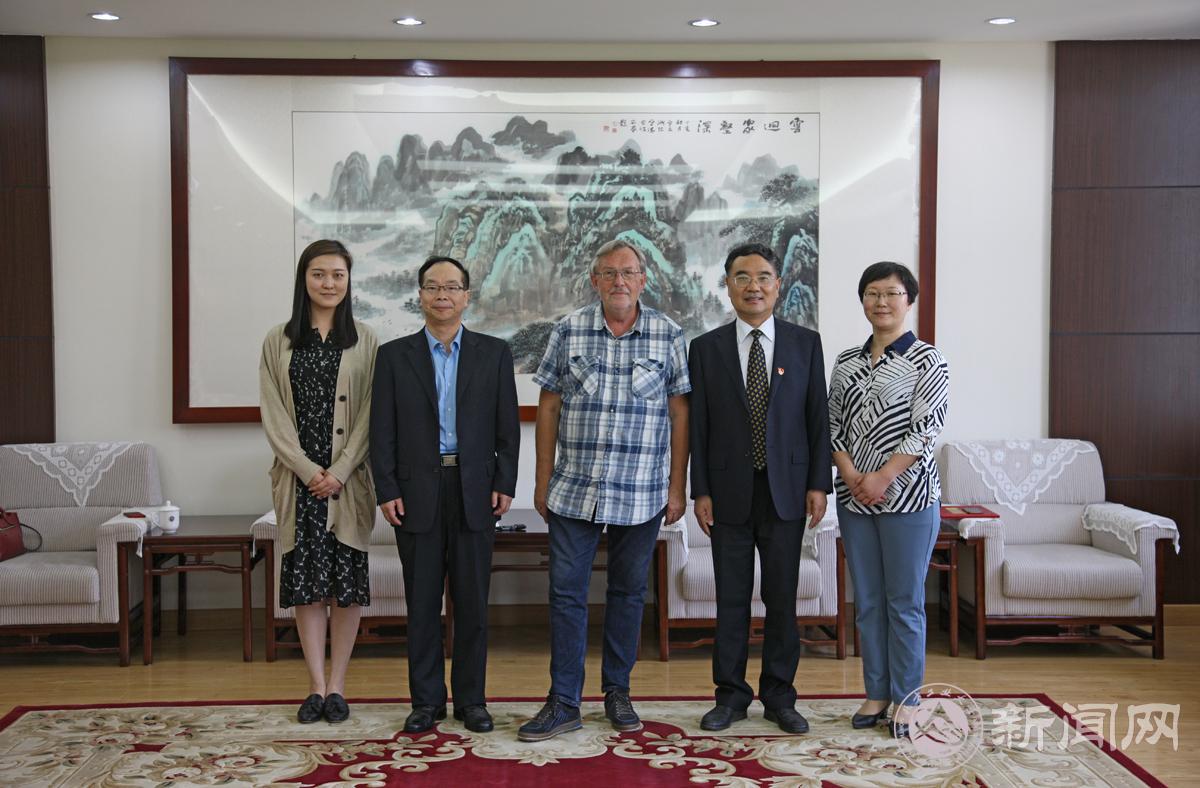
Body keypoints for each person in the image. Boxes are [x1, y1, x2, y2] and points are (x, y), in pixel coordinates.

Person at [518, 239, 691, 742]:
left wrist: (677, 486)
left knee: (628, 594)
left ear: (642, 280)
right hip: (574, 489)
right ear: (594, 280)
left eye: (629, 272)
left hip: (642, 491)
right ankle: (563, 701)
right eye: (609, 273)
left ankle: (618, 692)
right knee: (565, 594)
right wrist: (541, 480)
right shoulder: (568, 330)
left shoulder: (667, 333)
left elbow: (680, 413)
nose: (619, 281)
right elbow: (549, 406)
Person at [369, 255, 519, 735]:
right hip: (415, 493)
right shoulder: (394, 357)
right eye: (433, 287)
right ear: (420, 295)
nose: (442, 295)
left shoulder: (494, 354)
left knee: (473, 604)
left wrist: (505, 483)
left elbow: (508, 429)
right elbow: (381, 431)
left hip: (476, 490)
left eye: (452, 287)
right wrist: (386, 488)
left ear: (466, 296)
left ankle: (472, 701)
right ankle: (427, 701)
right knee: (422, 603)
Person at [688, 242, 832, 734]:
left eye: (763, 277)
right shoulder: (705, 348)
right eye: (742, 277)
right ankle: (729, 697)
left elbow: (817, 419)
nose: (754, 286)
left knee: (781, 599)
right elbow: (699, 426)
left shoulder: (804, 343)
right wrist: (700, 490)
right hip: (727, 491)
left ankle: (779, 697)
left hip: (786, 490)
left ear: (778, 285)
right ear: (727, 286)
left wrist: (819, 484)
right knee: (730, 599)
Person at [827, 261, 949, 739]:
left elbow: (925, 430)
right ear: (863, 301)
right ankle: (876, 693)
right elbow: (832, 425)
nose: (881, 302)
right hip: (854, 499)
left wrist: (883, 476)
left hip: (909, 500)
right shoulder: (846, 362)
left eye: (892, 293)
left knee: (904, 603)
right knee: (869, 602)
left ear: (908, 301)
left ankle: (907, 699)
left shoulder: (928, 360)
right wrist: (852, 475)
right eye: (873, 293)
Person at [259, 239, 378, 725]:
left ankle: (338, 687)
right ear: (303, 279)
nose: (329, 283)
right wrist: (309, 472)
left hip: (348, 484)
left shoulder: (366, 339)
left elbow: (371, 413)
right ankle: (314, 686)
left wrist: (341, 471)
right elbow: (273, 414)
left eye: (338, 275)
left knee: (345, 587)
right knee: (307, 588)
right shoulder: (278, 339)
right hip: (300, 484)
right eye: (319, 274)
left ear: (349, 281)